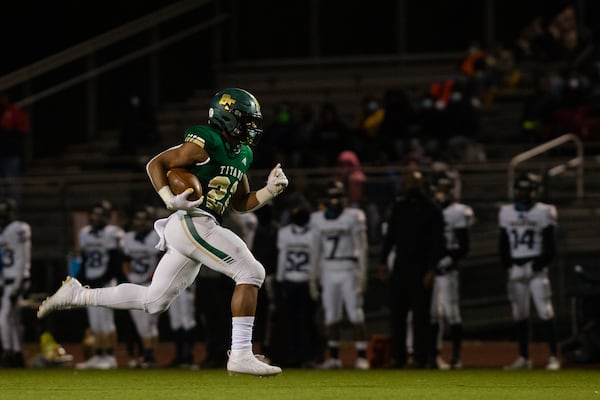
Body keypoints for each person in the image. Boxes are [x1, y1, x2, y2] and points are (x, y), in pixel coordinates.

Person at [37, 87, 289, 377]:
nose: (252, 128)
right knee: (251, 272)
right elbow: (156, 163)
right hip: (192, 219)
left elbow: (240, 203)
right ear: (227, 117)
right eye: (246, 120)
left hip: (202, 225)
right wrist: (170, 199)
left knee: (154, 302)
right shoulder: (206, 140)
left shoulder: (243, 153)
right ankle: (241, 353)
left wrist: (270, 190)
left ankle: (77, 295)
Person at [378, 169, 445, 369]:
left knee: (420, 315)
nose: (411, 187)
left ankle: (420, 357)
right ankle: (398, 357)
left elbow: (437, 242)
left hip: (421, 266)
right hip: (401, 266)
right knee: (397, 314)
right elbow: (390, 237)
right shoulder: (399, 207)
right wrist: (382, 262)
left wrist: (432, 269)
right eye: (409, 183)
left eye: (415, 183)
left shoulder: (431, 208)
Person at [499, 172, 561, 371]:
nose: (524, 193)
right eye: (521, 189)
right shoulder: (506, 212)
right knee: (520, 315)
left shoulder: (544, 211)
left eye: (528, 189)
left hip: (536, 269)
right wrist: (508, 264)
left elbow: (551, 247)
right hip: (516, 269)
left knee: (545, 312)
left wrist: (536, 265)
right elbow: (503, 244)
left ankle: (553, 356)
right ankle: (523, 357)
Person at [310, 180, 370, 370]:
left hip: (348, 267)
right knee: (331, 316)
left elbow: (362, 248)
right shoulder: (317, 219)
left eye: (338, 196)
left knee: (356, 314)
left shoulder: (354, 216)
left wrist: (363, 274)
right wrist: (313, 277)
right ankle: (334, 357)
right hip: (328, 268)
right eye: (332, 197)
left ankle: (361, 356)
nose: (336, 201)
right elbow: (315, 250)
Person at [71, 200, 124, 370]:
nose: (96, 218)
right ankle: (98, 355)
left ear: (107, 217)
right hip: (91, 282)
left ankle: (110, 356)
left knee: (106, 321)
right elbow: (86, 260)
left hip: (106, 282)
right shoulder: (85, 233)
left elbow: (115, 262)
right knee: (95, 323)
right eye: (94, 214)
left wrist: (102, 280)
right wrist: (79, 280)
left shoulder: (112, 233)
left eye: (100, 215)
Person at [429, 171, 474, 369]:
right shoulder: (429, 210)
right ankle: (434, 355)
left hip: (448, 270)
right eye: (439, 189)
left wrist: (448, 259)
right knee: (433, 315)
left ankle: (456, 356)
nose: (441, 193)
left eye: (445, 189)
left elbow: (464, 246)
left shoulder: (458, 212)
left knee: (452, 313)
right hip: (431, 269)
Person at [275, 204, 319, 367]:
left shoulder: (289, 233)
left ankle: (306, 355)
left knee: (305, 321)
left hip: (300, 282)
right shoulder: (310, 234)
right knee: (294, 321)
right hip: (296, 282)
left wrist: (280, 280)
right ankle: (297, 354)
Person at [121, 205, 162, 368]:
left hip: (151, 284)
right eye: (138, 219)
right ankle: (148, 354)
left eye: (144, 220)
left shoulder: (156, 236)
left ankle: (149, 354)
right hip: (135, 282)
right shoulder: (129, 237)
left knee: (149, 323)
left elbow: (161, 261)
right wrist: (129, 276)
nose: (140, 223)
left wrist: (152, 276)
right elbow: (124, 260)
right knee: (141, 324)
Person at [0, 198, 31, 367]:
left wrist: (19, 282)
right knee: (13, 319)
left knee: (4, 318)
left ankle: (8, 351)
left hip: (17, 278)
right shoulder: (4, 231)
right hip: (7, 279)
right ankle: (17, 354)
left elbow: (22, 257)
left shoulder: (19, 228)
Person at [0, 92, 30, 201]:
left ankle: (14, 207)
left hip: (11, 154)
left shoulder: (14, 111)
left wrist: (7, 131)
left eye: (4, 97)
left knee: (12, 182)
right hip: (2, 153)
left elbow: (23, 130)